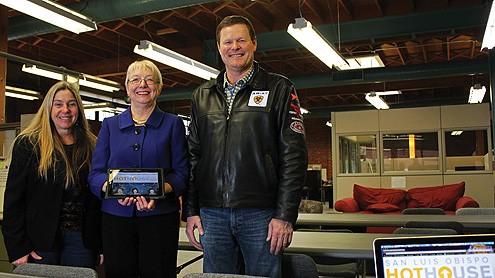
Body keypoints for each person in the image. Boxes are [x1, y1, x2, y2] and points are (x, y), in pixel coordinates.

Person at [183, 15, 308, 277]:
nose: (234, 47)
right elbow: (193, 157)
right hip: (212, 215)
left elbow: (294, 156)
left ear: (253, 43)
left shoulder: (279, 88)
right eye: (227, 41)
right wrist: (191, 211)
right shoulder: (201, 96)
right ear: (219, 48)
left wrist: (285, 215)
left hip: (261, 214)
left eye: (241, 40)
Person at [88, 59, 188, 278]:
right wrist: (112, 190)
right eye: (135, 79)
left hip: (160, 218)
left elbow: (182, 173)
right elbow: (95, 174)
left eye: (150, 80)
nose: (142, 84)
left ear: (159, 88)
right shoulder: (110, 125)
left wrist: (160, 191)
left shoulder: (173, 124)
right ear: (127, 87)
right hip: (116, 220)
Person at [2, 81, 102, 268]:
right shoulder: (28, 144)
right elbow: (14, 201)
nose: (65, 109)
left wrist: (101, 244)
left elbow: (98, 201)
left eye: (72, 104)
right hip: (39, 240)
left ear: (78, 109)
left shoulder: (92, 145)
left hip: (82, 241)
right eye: (58, 104)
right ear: (49, 108)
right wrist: (17, 247)